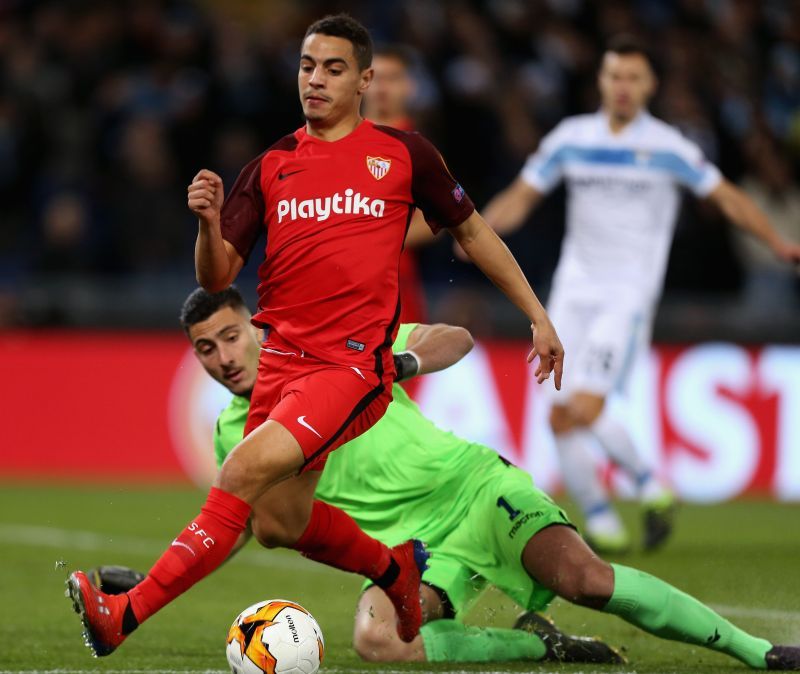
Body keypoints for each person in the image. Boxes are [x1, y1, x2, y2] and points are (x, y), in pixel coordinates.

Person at [66, 13, 564, 657]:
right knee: (278, 522)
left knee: (239, 471)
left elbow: (474, 234)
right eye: (307, 67)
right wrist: (208, 224)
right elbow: (219, 274)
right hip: (280, 362)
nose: (316, 80)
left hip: (350, 368)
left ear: (364, 80)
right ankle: (395, 569)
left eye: (333, 68)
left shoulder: (404, 155)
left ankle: (123, 615)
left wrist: (538, 315)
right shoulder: (271, 165)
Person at [95, 287, 800, 670]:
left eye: (230, 337)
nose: (221, 357)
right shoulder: (235, 434)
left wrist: (400, 365)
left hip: (472, 488)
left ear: (257, 327)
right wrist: (153, 582)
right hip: (419, 555)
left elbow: (452, 338)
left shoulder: (331, 352)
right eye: (204, 349)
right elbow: (256, 527)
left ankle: (756, 651)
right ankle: (540, 645)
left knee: (584, 581)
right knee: (377, 642)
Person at [482, 35, 800, 553]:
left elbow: (725, 198)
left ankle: (651, 485)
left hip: (626, 296)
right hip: (571, 291)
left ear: (650, 84)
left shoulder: (668, 147)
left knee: (584, 406)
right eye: (614, 76)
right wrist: (477, 233)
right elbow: (522, 195)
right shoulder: (571, 137)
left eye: (633, 77)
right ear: (601, 81)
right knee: (557, 412)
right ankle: (604, 523)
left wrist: (775, 241)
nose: (622, 86)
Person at [363, 43, 436, 324]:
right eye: (374, 78)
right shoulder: (336, 140)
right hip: (335, 279)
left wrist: (370, 242)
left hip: (393, 285)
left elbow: (439, 218)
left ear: (409, 86)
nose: (382, 87)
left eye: (392, 78)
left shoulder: (418, 150)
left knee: (397, 363)